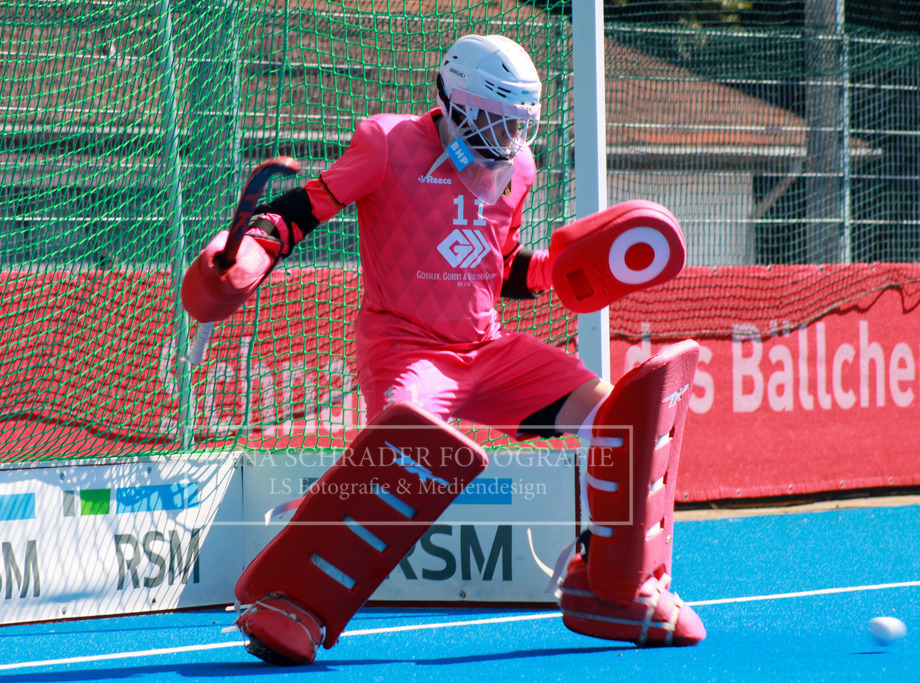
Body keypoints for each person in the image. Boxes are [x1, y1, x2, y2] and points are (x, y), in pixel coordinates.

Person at [223, 34, 705, 665]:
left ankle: (609, 587)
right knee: (407, 447)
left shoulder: (519, 168)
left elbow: (498, 265)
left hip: (489, 349)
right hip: (405, 349)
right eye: (492, 120)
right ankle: (292, 602)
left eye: (516, 125)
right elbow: (307, 206)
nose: (505, 139)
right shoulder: (387, 141)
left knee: (617, 416)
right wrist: (255, 247)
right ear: (452, 99)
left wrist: (553, 272)